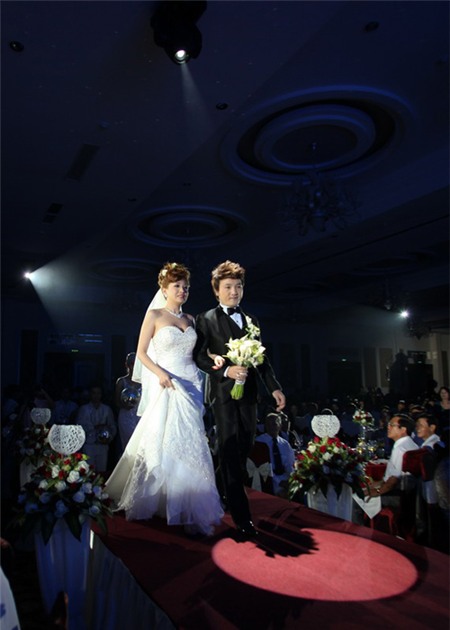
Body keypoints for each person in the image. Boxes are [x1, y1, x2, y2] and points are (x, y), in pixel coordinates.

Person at [105, 262, 223, 536]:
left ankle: (186, 501)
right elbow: (141, 353)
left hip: (191, 384)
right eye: (177, 286)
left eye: (186, 287)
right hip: (167, 383)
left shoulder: (191, 320)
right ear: (165, 289)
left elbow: (199, 354)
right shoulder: (155, 315)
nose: (182, 291)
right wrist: (160, 374)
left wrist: (215, 357)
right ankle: (161, 499)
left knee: (190, 441)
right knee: (164, 440)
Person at [194, 260, 285, 539]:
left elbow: (262, 360)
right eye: (228, 287)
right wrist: (224, 370)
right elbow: (198, 357)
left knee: (245, 443)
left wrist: (274, 388)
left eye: (238, 286)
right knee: (230, 448)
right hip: (222, 394)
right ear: (216, 291)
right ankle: (242, 517)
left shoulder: (252, 320)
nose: (234, 292)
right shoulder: (205, 319)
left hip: (249, 394)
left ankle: (219, 485)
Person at [76, 385, 116, 472]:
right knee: (89, 472)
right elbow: (79, 427)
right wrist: (93, 427)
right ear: (90, 394)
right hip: (89, 444)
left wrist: (109, 438)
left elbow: (112, 426)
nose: (96, 396)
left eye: (98, 393)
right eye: (94, 393)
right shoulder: (84, 409)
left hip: (103, 445)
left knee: (102, 471)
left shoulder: (107, 409)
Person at [256, 412, 295, 497]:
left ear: (280, 425)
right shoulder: (259, 442)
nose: (271, 427)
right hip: (268, 481)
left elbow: (290, 465)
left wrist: (291, 480)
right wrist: (279, 482)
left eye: (274, 424)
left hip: (285, 480)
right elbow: (261, 467)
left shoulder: (285, 444)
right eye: (268, 424)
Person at [114, 352, 141, 451]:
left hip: (139, 415)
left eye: (135, 363)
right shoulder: (121, 381)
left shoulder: (144, 381)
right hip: (126, 415)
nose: (133, 366)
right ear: (127, 365)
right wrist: (125, 406)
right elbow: (116, 401)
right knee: (127, 443)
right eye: (131, 363)